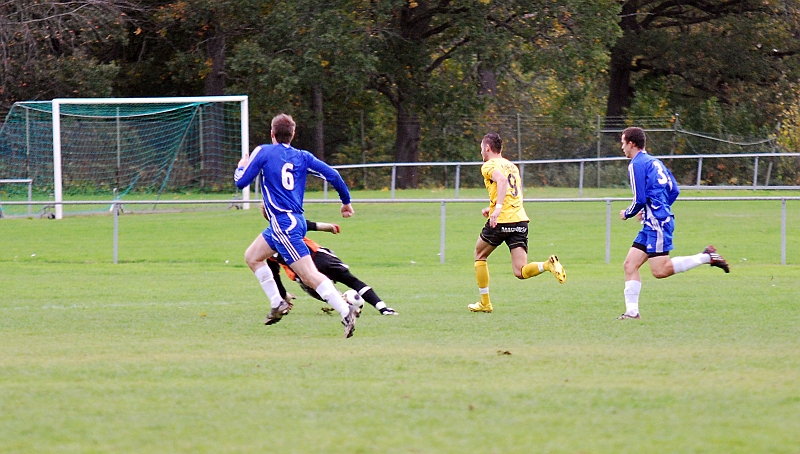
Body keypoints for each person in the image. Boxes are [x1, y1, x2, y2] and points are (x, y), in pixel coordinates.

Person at [234, 113, 359, 338]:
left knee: (310, 274)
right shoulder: (303, 156)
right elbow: (333, 175)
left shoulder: (263, 151)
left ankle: (345, 309)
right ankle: (277, 302)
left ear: (272, 133)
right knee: (252, 256)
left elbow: (241, 182)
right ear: (293, 134)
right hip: (289, 223)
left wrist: (242, 166)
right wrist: (346, 202)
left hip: (285, 225)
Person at [618, 126, 730, 320]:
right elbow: (674, 190)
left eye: (623, 143)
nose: (622, 147)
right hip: (653, 222)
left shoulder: (636, 164)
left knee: (660, 270)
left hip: (658, 223)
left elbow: (640, 199)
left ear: (632, 143)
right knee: (629, 265)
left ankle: (706, 256)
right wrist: (654, 210)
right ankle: (632, 313)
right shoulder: (655, 162)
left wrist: (628, 213)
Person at [469, 132, 566, 313]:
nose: (481, 151)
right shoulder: (512, 166)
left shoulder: (488, 165)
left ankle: (485, 303)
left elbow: (501, 181)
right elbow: (511, 194)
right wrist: (491, 208)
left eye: (481, 148)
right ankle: (547, 265)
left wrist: (496, 210)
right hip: (520, 220)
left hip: (501, 220)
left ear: (487, 148)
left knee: (479, 255)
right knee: (520, 271)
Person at [262, 209, 399, 316]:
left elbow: (275, 277)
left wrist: (284, 296)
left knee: (327, 292)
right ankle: (382, 308)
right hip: (319, 259)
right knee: (351, 280)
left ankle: (347, 307)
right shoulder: (290, 223)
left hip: (303, 272)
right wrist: (328, 227)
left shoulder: (266, 243)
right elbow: (309, 224)